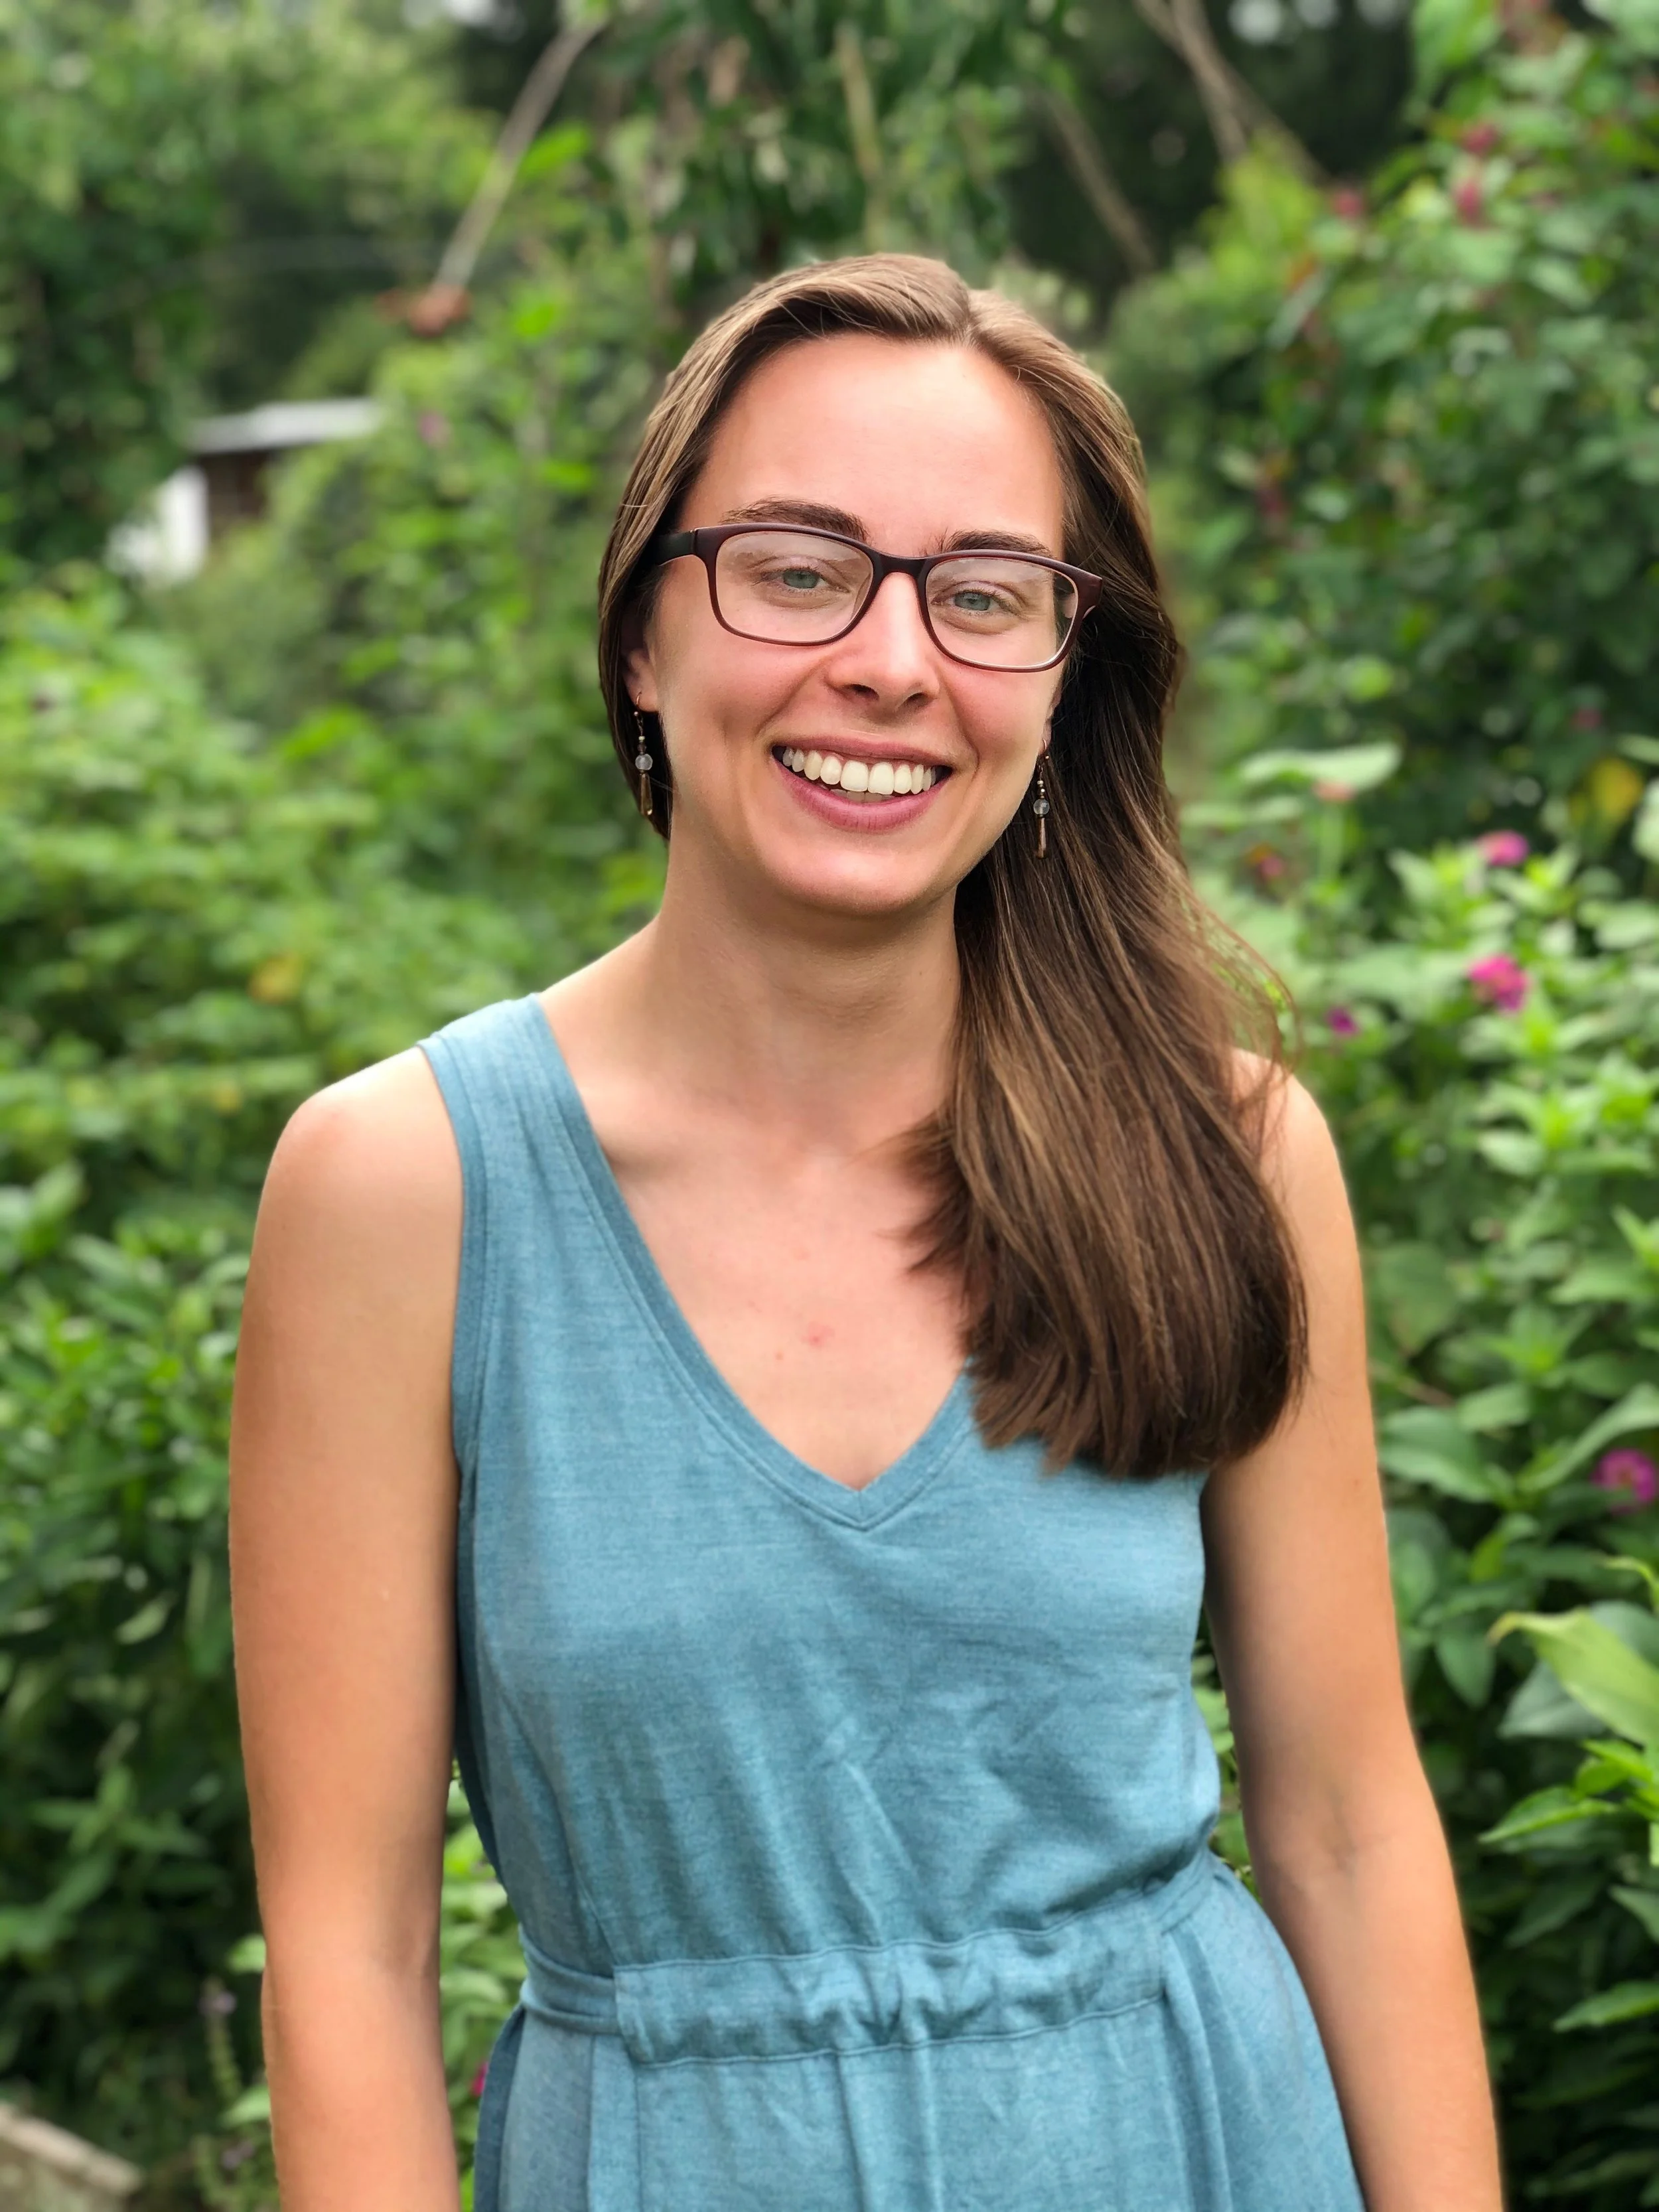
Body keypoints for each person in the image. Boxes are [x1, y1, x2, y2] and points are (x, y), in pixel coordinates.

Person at [228, 254, 1504, 2212]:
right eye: (800, 565)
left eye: (983, 591)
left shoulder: (1226, 1153)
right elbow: (347, 1956)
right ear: (644, 631)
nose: (893, 662)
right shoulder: (404, 1192)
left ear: (1065, 676)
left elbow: (1340, 1823)